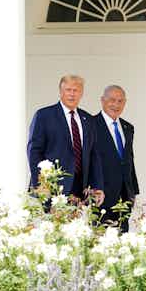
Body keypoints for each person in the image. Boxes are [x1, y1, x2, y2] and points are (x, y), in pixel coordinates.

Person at [27, 75, 104, 203]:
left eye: (76, 90)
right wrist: (41, 184)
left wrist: (97, 187)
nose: (72, 94)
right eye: (68, 90)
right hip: (51, 189)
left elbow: (94, 156)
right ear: (61, 92)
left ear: (81, 93)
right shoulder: (44, 116)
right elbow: (34, 151)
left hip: (81, 190)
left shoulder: (88, 120)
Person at [94, 85, 139, 232]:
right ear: (102, 101)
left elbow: (129, 160)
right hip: (101, 196)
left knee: (122, 242)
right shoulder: (91, 125)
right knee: (101, 243)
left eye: (120, 101)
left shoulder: (128, 127)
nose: (116, 105)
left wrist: (133, 191)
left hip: (124, 196)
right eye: (112, 100)